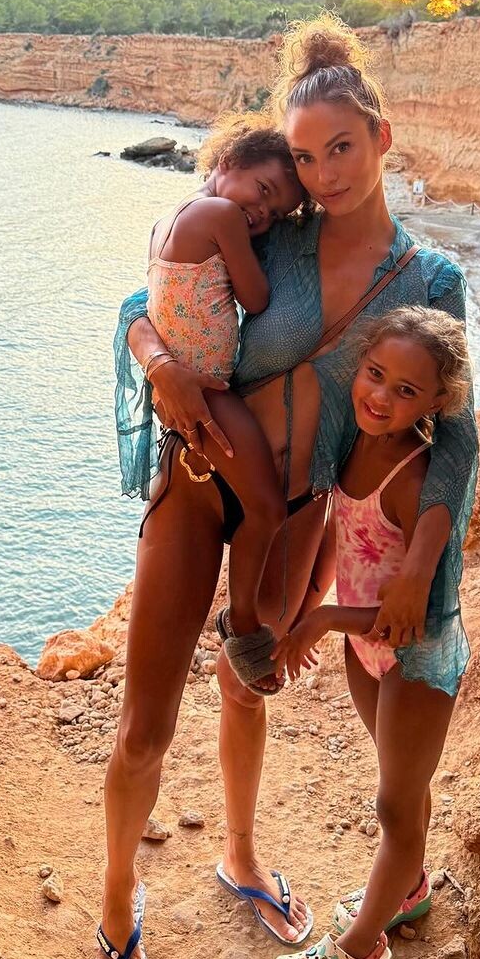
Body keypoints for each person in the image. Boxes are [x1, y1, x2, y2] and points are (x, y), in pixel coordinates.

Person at [95, 12, 478, 959]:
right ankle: (116, 900)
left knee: (247, 682)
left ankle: (243, 857)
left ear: (382, 137)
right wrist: (160, 367)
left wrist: (421, 572)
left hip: (298, 511)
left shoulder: (431, 279)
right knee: (145, 724)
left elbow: (454, 434)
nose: (323, 174)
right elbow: (149, 300)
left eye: (341, 149)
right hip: (199, 484)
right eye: (306, 158)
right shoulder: (278, 239)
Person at [270, 306, 472, 959]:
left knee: (394, 805)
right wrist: (314, 609)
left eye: (405, 390)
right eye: (375, 374)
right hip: (365, 651)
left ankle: (360, 951)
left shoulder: (414, 478)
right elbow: (346, 537)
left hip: (415, 657)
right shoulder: (353, 446)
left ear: (436, 403)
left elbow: (406, 618)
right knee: (402, 783)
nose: (381, 396)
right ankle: (408, 886)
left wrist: (324, 618)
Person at [144, 114, 306, 697]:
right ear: (227, 161)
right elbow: (256, 298)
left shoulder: (170, 217)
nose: (262, 213)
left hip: (196, 387)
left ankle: (238, 618)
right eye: (263, 190)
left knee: (260, 505)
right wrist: (263, 250)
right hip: (210, 392)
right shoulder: (221, 216)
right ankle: (240, 623)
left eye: (277, 213)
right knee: (267, 508)